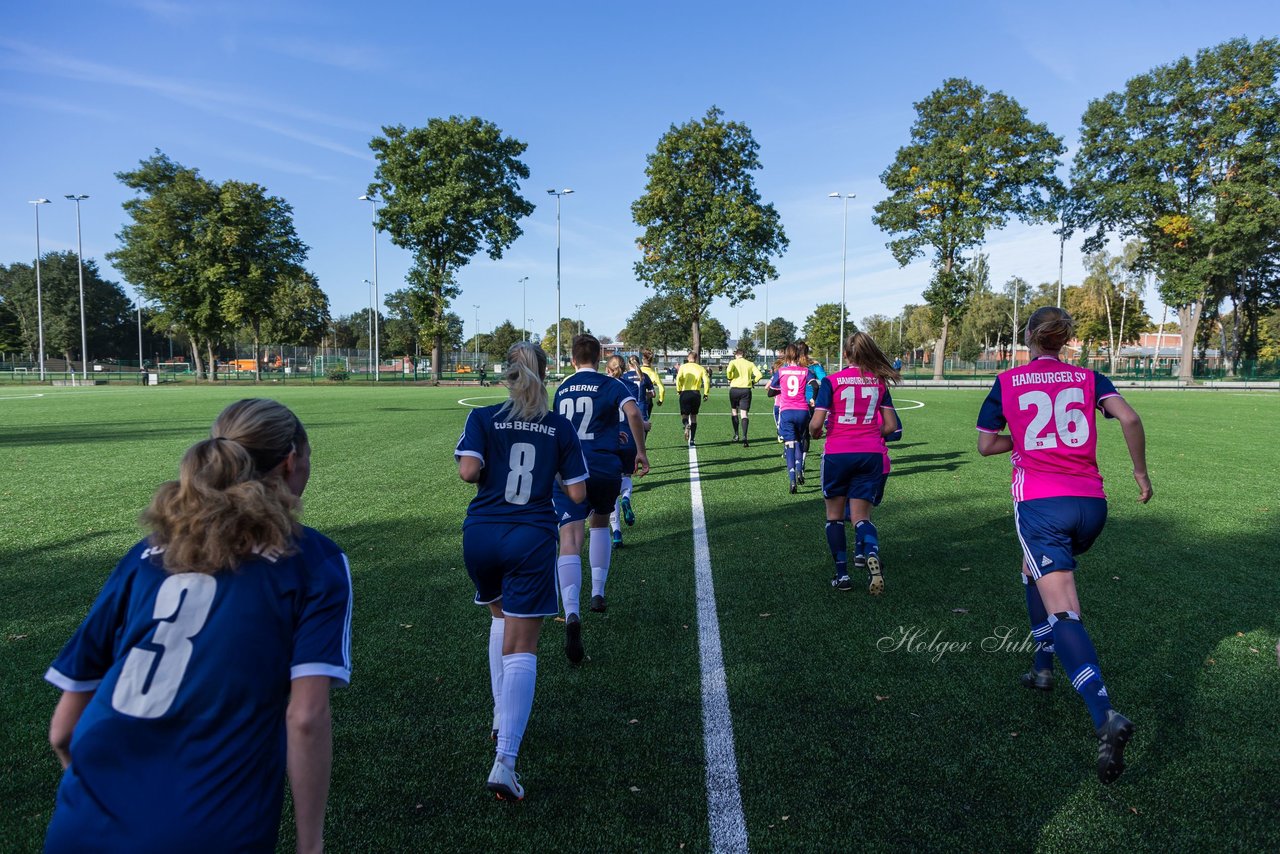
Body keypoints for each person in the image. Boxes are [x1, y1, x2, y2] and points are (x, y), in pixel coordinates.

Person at [43, 399, 352, 853]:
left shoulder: (146, 553)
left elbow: (63, 731)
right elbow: (305, 718)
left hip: (83, 823)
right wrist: (310, 845)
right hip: (212, 827)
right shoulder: (313, 561)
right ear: (292, 461)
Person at [976, 306, 1152, 785]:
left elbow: (987, 445)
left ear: (1029, 336)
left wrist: (1025, 442)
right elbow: (1131, 419)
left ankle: (1104, 715)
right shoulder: (1091, 378)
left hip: (1041, 504)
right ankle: (1042, 668)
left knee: (1064, 609)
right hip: (1091, 505)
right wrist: (1139, 473)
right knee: (1031, 570)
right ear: (1066, 338)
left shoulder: (1008, 381)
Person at [456, 342, 588, 801]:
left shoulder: (482, 417)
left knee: (498, 618)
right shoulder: (558, 426)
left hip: (480, 534)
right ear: (546, 374)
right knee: (523, 646)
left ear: (507, 375)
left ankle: (499, 719)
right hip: (529, 536)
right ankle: (506, 760)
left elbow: (468, 472)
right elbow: (576, 496)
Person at [553, 335, 650, 643]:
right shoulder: (612, 384)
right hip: (603, 466)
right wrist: (640, 450)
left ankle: (571, 611)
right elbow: (634, 413)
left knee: (569, 537)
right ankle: (597, 592)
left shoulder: (563, 387)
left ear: (572, 359)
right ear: (599, 358)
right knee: (599, 525)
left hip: (569, 470)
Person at [810, 333, 901, 593]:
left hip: (838, 453)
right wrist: (869, 435)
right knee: (861, 518)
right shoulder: (879, 383)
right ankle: (870, 552)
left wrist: (815, 433)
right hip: (871, 454)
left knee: (835, 517)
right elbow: (891, 426)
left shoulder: (831, 381)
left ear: (846, 354)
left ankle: (842, 576)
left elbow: (816, 424)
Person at [610, 355, 652, 548]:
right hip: (627, 438)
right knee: (626, 476)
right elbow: (632, 413)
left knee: (609, 491)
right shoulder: (632, 387)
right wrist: (644, 425)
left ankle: (616, 532)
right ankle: (626, 497)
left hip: (607, 441)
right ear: (624, 367)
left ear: (608, 369)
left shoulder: (602, 386)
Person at [768, 344, 812, 493]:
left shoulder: (781, 371)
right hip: (803, 411)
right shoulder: (805, 371)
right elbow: (815, 385)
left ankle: (792, 480)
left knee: (790, 444)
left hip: (787, 411)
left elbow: (771, 391)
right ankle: (800, 468)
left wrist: (780, 390)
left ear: (786, 355)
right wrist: (814, 398)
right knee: (800, 440)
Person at [797, 340, 827, 473]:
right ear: (807, 351)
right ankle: (802, 461)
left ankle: (794, 460)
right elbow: (825, 381)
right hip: (810, 403)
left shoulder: (789, 365)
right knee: (806, 434)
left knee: (794, 433)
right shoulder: (814, 366)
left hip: (792, 403)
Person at [725, 348, 763, 447]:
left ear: (736, 355)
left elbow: (729, 370)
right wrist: (753, 382)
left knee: (734, 411)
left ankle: (736, 435)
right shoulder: (750, 364)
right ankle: (745, 437)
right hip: (746, 390)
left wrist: (729, 377)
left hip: (734, 389)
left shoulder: (733, 362)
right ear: (743, 355)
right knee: (744, 414)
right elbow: (759, 375)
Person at [675, 351, 711, 447]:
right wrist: (706, 393)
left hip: (685, 392)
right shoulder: (701, 368)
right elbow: (706, 381)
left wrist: (678, 390)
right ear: (696, 359)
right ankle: (692, 440)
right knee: (694, 416)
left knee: (684, 415)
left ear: (688, 358)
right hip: (696, 393)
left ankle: (686, 424)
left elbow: (678, 378)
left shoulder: (683, 367)